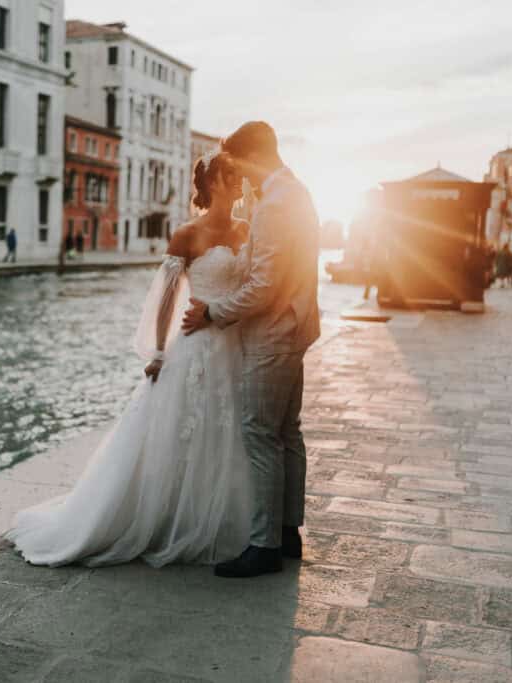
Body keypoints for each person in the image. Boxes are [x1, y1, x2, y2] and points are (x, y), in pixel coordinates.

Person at [7, 148, 254, 568]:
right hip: (194, 344)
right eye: (232, 175)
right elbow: (166, 300)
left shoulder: (249, 230)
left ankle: (219, 517)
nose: (240, 183)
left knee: (228, 433)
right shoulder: (186, 235)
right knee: (180, 431)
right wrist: (158, 352)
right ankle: (167, 518)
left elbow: (255, 285)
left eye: (240, 176)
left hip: (236, 342)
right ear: (212, 184)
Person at [182, 121, 320, 577]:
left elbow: (263, 286)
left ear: (254, 157)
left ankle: (263, 546)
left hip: (273, 332)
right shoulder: (296, 193)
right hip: (296, 326)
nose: (240, 176)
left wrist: (212, 312)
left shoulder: (275, 205)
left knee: (260, 433)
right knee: (287, 432)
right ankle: (287, 533)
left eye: (240, 165)